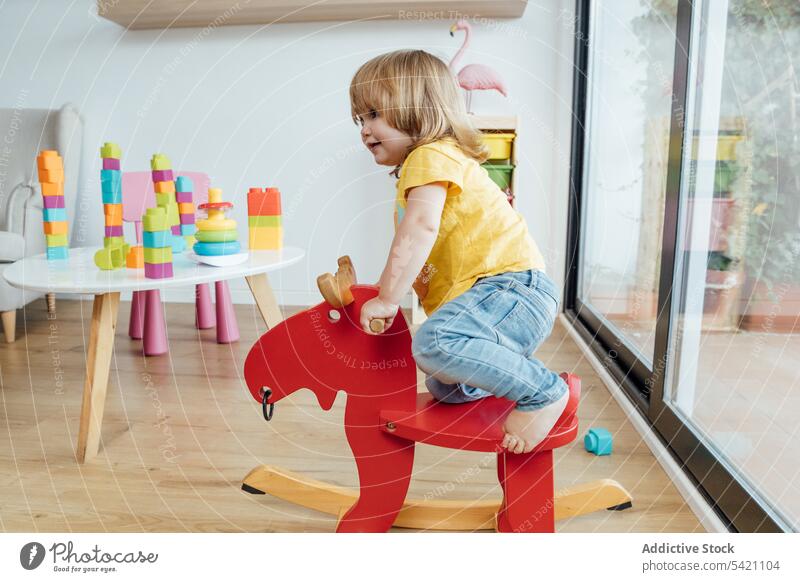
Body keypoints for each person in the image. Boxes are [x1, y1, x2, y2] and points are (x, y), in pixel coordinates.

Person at [350, 49, 569, 454]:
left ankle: (544, 391)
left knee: (435, 343)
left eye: (375, 114)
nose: (364, 129)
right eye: (359, 119)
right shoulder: (431, 163)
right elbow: (416, 242)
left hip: (510, 289)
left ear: (419, 108)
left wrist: (385, 298)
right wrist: (385, 288)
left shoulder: (429, 155)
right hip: (508, 298)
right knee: (444, 386)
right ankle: (515, 378)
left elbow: (419, 231)